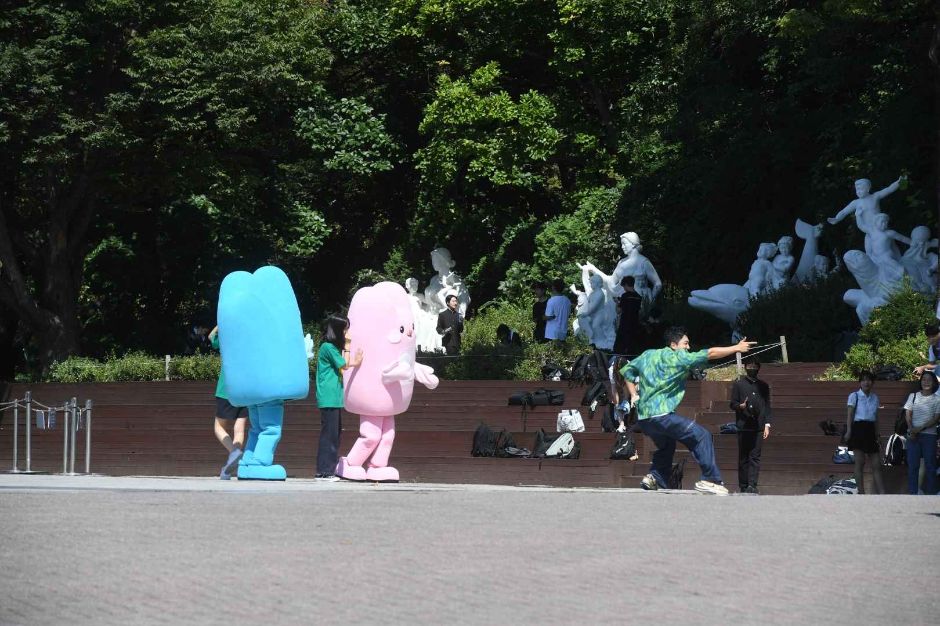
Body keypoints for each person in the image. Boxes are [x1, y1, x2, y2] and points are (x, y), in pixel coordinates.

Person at [622, 327, 756, 495]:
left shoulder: (648, 355)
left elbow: (627, 372)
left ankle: (655, 477)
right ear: (673, 344)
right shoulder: (679, 357)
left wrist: (634, 395)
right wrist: (736, 348)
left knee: (667, 445)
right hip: (662, 415)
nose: (688, 347)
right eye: (685, 343)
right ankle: (710, 479)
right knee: (701, 436)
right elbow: (710, 353)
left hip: (644, 418)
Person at [315, 315, 363, 481]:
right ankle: (324, 471)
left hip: (333, 397)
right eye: (344, 328)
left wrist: (353, 360)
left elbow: (343, 368)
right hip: (329, 396)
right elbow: (344, 365)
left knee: (333, 434)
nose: (346, 332)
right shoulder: (328, 347)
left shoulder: (330, 348)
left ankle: (326, 469)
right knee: (329, 435)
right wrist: (348, 346)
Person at [208, 325, 248, 480]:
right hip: (246, 390)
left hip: (226, 389)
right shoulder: (250, 344)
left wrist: (220, 323)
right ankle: (230, 463)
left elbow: (211, 336)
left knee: (218, 426)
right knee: (239, 428)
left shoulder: (226, 341)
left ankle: (233, 451)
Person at [730, 359, 772, 494]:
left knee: (755, 456)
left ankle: (753, 485)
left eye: (755, 366)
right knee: (743, 457)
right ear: (745, 367)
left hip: (759, 426)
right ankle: (743, 484)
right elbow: (732, 404)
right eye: (749, 366)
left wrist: (767, 424)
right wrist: (741, 406)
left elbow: (767, 406)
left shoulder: (764, 386)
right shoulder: (739, 385)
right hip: (743, 425)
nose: (752, 368)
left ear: (758, 368)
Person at [843, 372, 884, 495]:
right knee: (860, 462)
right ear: (860, 382)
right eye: (864, 380)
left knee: (876, 463)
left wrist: (878, 434)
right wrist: (849, 431)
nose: (866, 382)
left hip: (870, 429)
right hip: (858, 429)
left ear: (872, 382)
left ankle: (882, 493)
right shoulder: (854, 396)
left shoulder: (875, 397)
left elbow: (876, 417)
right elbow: (850, 414)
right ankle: (861, 492)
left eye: (869, 380)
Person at [903, 371, 940, 495]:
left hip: (929, 436)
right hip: (913, 435)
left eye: (929, 380)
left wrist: (920, 428)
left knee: (930, 465)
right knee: (913, 466)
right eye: (924, 379)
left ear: (934, 382)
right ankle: (913, 493)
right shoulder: (913, 396)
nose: (926, 382)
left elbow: (935, 418)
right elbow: (908, 413)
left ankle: (931, 494)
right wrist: (911, 428)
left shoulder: (938, 399)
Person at [613, 276, 642, 356]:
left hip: (625, 323)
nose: (624, 288)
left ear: (626, 285)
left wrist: (617, 303)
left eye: (624, 286)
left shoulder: (625, 296)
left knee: (619, 347)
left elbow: (618, 311)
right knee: (631, 346)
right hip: (635, 324)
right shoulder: (638, 297)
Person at [543, 278, 572, 343]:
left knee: (553, 351)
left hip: (552, 333)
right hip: (563, 331)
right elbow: (568, 313)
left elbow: (549, 316)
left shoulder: (551, 300)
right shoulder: (567, 300)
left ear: (553, 287)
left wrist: (542, 317)